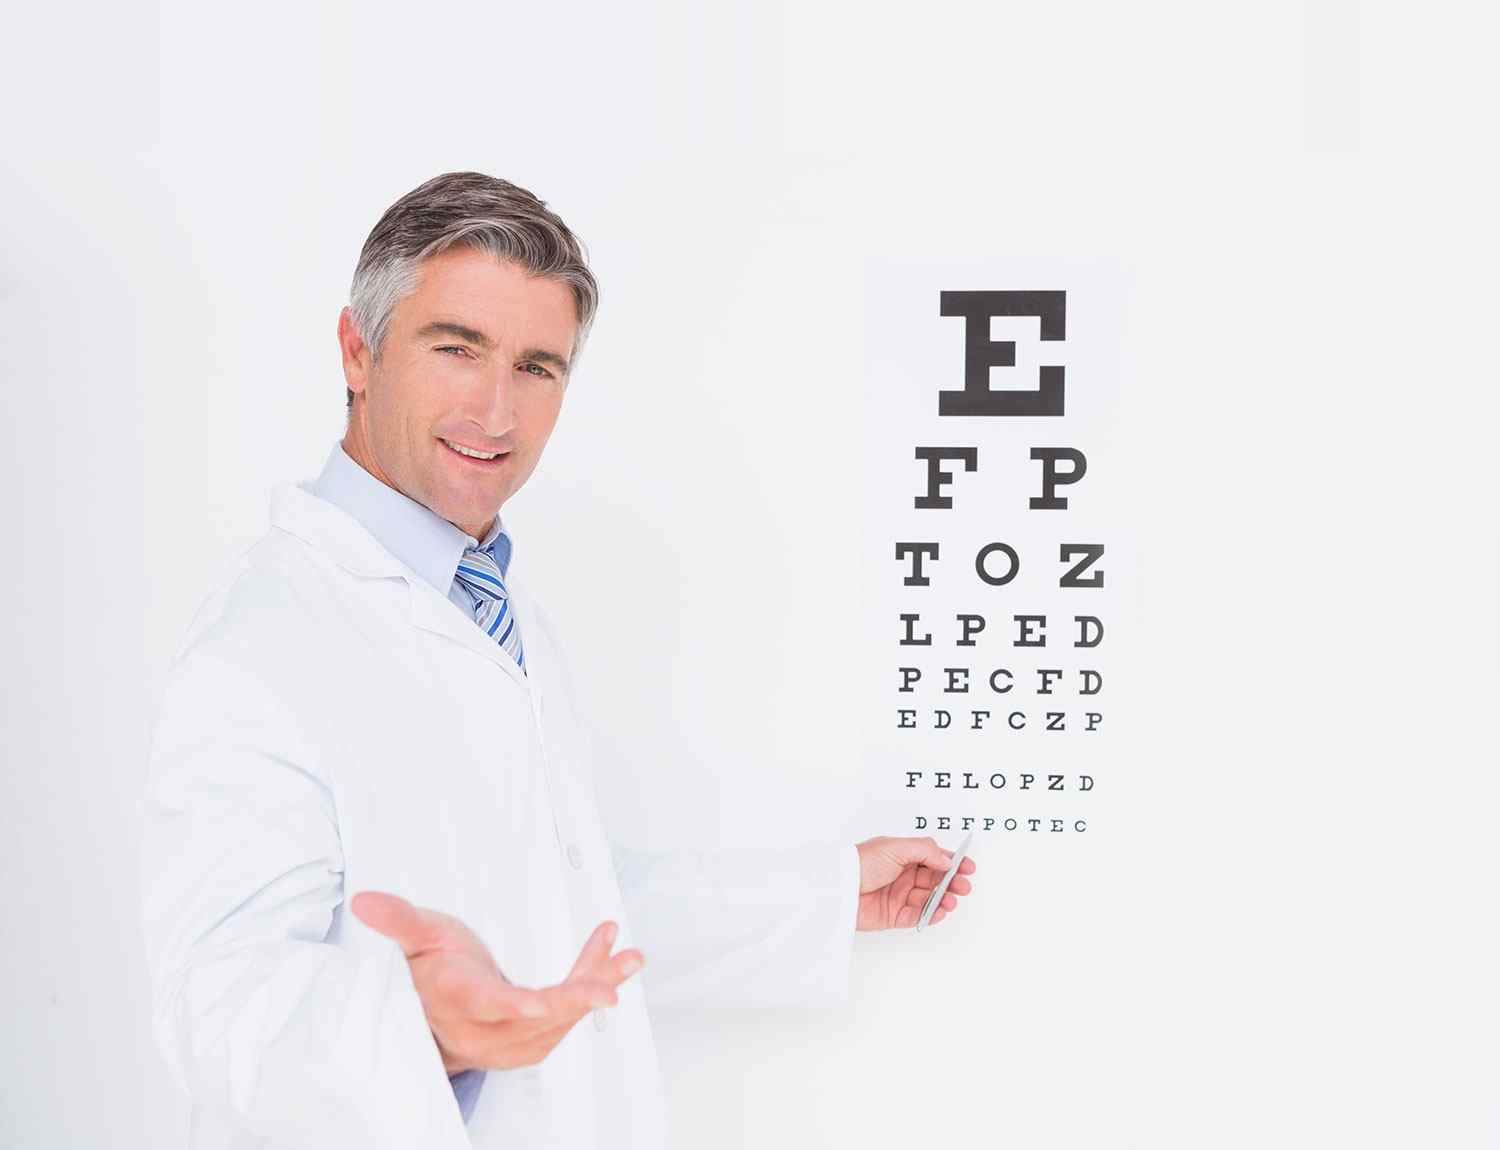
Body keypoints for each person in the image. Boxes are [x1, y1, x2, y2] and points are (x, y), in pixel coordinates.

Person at [138, 170, 977, 1149]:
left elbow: (569, 912)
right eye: (458, 349)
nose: (498, 411)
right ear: (358, 351)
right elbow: (219, 1006)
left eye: (538, 367)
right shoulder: (263, 641)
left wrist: (827, 895)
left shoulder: (490, 604)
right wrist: (419, 1027)